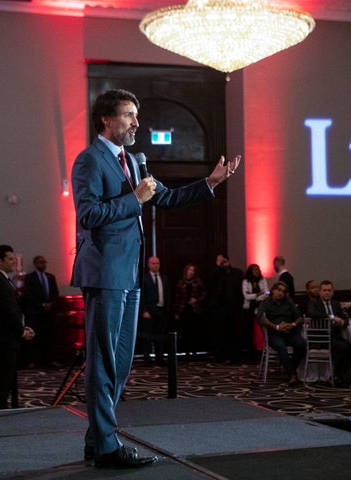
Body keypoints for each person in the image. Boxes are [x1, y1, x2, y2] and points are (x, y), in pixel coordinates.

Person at [70, 89, 240, 468]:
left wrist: (210, 182)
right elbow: (88, 215)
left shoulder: (132, 160)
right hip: (105, 273)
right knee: (104, 363)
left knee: (123, 361)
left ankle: (97, 439)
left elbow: (167, 198)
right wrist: (135, 198)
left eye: (136, 115)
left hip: (129, 274)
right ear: (106, 120)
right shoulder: (89, 160)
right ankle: (109, 447)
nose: (136, 123)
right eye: (129, 115)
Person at [0, 245, 35, 410]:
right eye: (10, 259)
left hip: (4, 340)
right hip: (2, 341)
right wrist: (22, 331)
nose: (14, 263)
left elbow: (13, 310)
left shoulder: (0, 279)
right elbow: (7, 312)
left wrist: (23, 328)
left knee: (3, 383)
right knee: (1, 385)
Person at [307, 280, 351, 387]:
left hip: (335, 336)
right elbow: (312, 313)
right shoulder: (314, 302)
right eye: (324, 290)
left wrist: (342, 322)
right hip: (320, 339)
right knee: (341, 347)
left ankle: (337, 375)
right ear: (320, 292)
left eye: (329, 290)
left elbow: (345, 318)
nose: (327, 293)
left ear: (333, 292)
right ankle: (337, 378)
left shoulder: (335, 304)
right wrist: (331, 317)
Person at [258, 281, 307, 386]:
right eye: (278, 290)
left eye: (283, 291)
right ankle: (292, 375)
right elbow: (261, 318)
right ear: (273, 290)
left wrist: (292, 325)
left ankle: (289, 371)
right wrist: (276, 327)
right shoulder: (266, 303)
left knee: (302, 344)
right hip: (274, 333)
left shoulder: (288, 302)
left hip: (289, 331)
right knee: (281, 346)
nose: (280, 293)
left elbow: (300, 317)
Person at [22, 255, 59, 367]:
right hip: (35, 312)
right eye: (40, 262)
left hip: (49, 313)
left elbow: (55, 293)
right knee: (34, 338)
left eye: (44, 262)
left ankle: (50, 360)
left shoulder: (50, 277)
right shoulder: (30, 278)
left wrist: (50, 304)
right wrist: (41, 304)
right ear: (35, 264)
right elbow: (29, 294)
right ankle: (33, 360)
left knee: (49, 337)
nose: (42, 264)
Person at [208, 253, 245, 363]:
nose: (223, 263)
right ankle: (220, 355)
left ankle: (234, 356)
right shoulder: (217, 273)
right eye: (220, 261)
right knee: (220, 333)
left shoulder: (237, 273)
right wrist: (218, 266)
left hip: (234, 308)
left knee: (234, 332)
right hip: (220, 308)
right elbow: (211, 279)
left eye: (224, 261)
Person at [139, 256, 170, 365]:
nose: (155, 265)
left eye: (157, 263)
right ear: (148, 264)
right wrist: (144, 310)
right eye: (153, 263)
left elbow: (167, 295)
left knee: (160, 336)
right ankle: (147, 358)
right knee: (147, 336)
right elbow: (142, 296)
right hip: (149, 311)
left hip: (161, 311)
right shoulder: (145, 278)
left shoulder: (164, 278)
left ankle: (159, 358)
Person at [172, 263, 206, 357]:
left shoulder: (198, 282)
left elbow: (203, 294)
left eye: (193, 270)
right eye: (190, 270)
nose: (191, 272)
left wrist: (196, 300)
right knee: (185, 332)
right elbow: (177, 298)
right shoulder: (180, 283)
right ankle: (186, 352)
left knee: (194, 331)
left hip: (195, 310)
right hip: (184, 309)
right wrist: (176, 313)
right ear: (186, 271)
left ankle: (194, 352)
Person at [242, 264, 269, 363]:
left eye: (258, 270)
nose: (257, 272)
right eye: (255, 270)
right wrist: (258, 294)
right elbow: (246, 296)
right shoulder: (246, 281)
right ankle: (250, 354)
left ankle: (260, 352)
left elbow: (266, 294)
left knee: (259, 331)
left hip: (259, 308)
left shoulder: (263, 280)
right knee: (249, 331)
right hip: (248, 309)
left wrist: (255, 296)